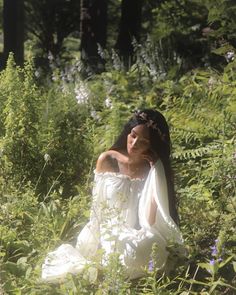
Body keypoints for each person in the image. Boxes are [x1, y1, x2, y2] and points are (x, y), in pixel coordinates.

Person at [42, 109, 184, 282]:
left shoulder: (151, 169)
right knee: (128, 249)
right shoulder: (108, 159)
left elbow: (150, 219)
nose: (134, 143)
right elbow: (96, 208)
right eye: (133, 135)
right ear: (128, 132)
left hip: (137, 232)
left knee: (153, 245)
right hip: (108, 232)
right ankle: (116, 265)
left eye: (144, 141)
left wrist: (157, 169)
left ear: (152, 146)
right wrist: (95, 240)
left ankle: (127, 265)